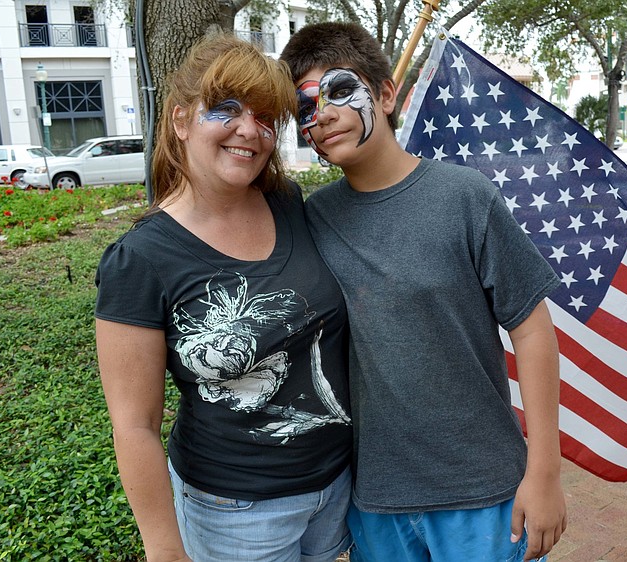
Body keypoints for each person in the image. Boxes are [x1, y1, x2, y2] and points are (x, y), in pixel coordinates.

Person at [281, 22, 567, 562]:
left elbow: (531, 330)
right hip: (376, 499)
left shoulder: (465, 198)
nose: (322, 114)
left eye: (341, 91)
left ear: (386, 94)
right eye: (305, 107)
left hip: (484, 493)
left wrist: (545, 470)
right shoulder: (311, 218)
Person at [95, 34, 353, 562]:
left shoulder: (288, 203)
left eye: (264, 117)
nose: (248, 130)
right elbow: (133, 426)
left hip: (336, 490)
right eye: (226, 109)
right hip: (233, 514)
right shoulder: (140, 259)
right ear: (181, 120)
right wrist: (164, 548)